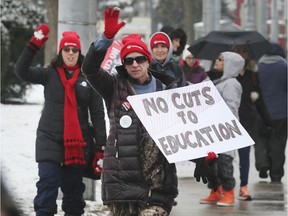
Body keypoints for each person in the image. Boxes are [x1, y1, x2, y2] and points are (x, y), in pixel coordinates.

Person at [82, 7, 178, 216]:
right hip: (121, 182)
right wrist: (105, 39)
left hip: (156, 183)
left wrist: (204, 156)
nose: (135, 64)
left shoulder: (166, 90)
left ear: (147, 61)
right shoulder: (114, 87)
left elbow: (183, 130)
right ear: (123, 65)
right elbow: (89, 69)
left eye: (140, 59)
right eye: (128, 60)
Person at [15, 24, 107, 216]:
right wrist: (34, 45)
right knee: (48, 185)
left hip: (77, 144)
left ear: (79, 52)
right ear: (61, 51)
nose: (71, 53)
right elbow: (21, 70)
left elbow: (98, 114)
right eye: (67, 49)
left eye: (75, 50)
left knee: (73, 194)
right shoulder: (49, 74)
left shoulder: (89, 77)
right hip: (49, 139)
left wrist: (100, 147)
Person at [202, 52, 245, 207]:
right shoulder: (214, 80)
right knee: (210, 164)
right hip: (211, 130)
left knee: (224, 164)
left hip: (224, 132)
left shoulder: (231, 84)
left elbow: (231, 108)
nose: (217, 61)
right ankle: (215, 191)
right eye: (217, 58)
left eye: (221, 59)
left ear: (230, 65)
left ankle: (228, 193)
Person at [233, 45, 272, 201]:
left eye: (244, 52)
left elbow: (259, 99)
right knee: (225, 158)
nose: (241, 55)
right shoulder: (228, 75)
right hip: (229, 121)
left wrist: (268, 120)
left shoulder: (253, 75)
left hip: (248, 120)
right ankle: (223, 187)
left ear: (248, 55)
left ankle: (244, 186)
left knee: (244, 156)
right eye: (238, 52)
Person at [256, 42, 287, 183]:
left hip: (261, 112)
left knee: (261, 139)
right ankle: (276, 174)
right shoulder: (284, 67)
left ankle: (263, 164)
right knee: (278, 143)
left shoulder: (258, 67)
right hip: (281, 113)